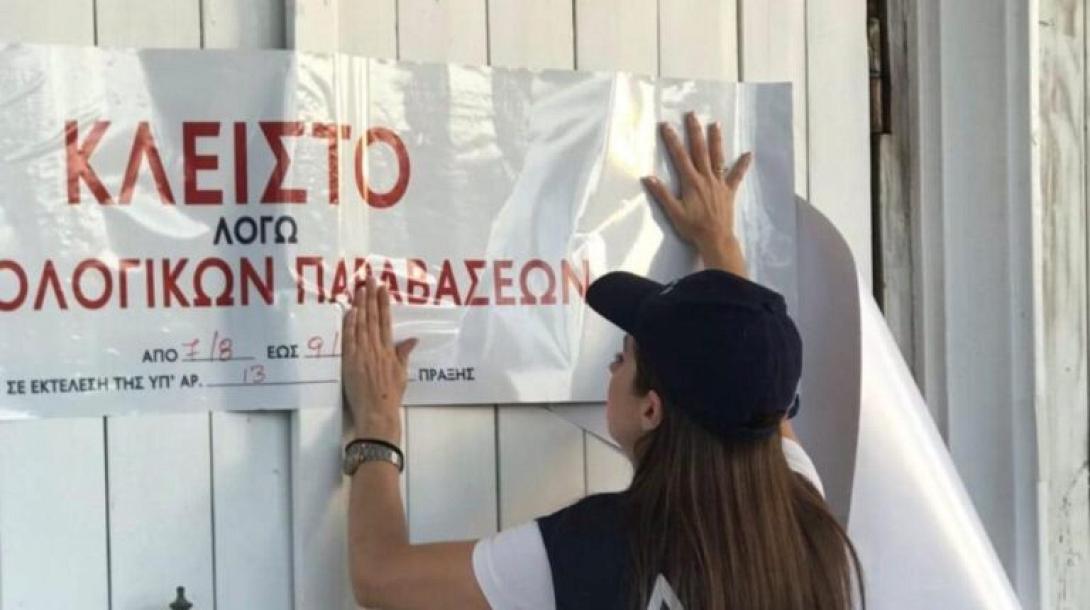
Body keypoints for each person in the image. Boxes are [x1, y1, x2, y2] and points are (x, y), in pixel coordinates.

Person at [339, 112, 864, 610]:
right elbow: (749, 374)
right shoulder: (806, 523)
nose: (612, 370)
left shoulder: (599, 549)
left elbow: (380, 575)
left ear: (651, 409)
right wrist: (718, 239)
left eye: (622, 357)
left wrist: (377, 426)